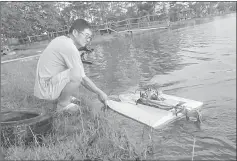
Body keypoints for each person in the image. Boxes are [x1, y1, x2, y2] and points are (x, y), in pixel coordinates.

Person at [34, 19, 108, 112]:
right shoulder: (70, 47)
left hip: (43, 87)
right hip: (46, 91)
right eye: (86, 36)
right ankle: (63, 104)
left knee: (73, 70)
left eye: (90, 37)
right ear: (75, 32)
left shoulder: (61, 40)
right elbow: (82, 78)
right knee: (76, 73)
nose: (88, 40)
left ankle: (62, 97)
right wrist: (99, 92)